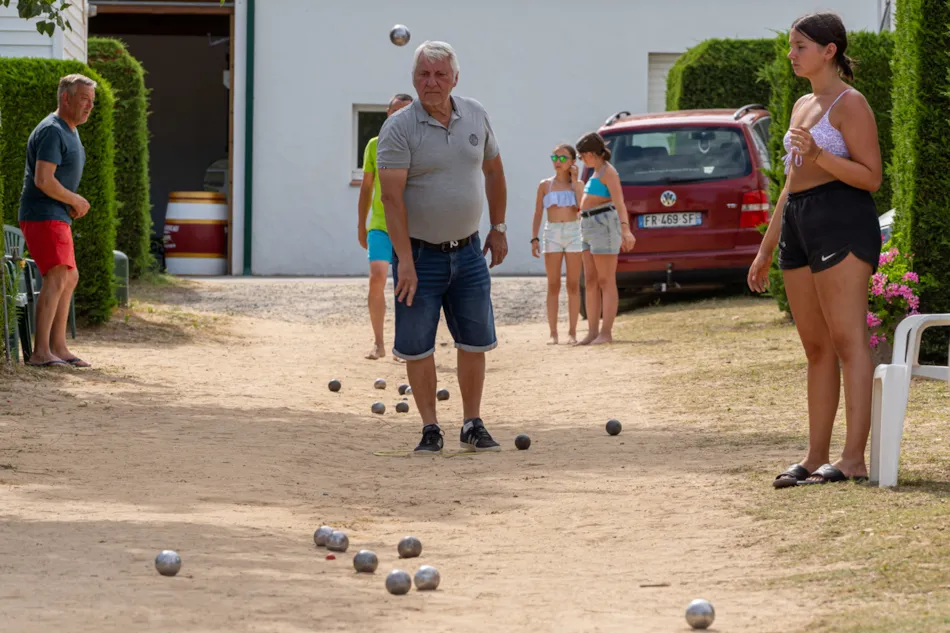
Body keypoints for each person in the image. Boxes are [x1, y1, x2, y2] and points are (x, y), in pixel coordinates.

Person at [747, 12, 883, 487]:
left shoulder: (851, 103)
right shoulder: (803, 103)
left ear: (829, 50)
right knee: (816, 347)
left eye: (799, 45)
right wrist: (766, 248)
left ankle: (853, 459)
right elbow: (791, 183)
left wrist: (823, 156)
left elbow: (871, 177)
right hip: (800, 220)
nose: (791, 53)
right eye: (790, 45)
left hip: (842, 218)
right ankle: (814, 455)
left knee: (848, 341)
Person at [377, 40, 508, 454]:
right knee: (418, 345)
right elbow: (392, 201)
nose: (431, 83)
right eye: (423, 75)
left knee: (474, 341)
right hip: (419, 257)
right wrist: (405, 261)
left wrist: (499, 227)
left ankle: (472, 423)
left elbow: (494, 171)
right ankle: (430, 428)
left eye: (439, 74)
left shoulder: (476, 113)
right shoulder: (399, 128)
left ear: (455, 78)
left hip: (469, 253)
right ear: (413, 79)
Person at [18, 74, 97, 368]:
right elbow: (43, 180)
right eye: (84, 99)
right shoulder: (52, 130)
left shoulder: (70, 130)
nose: (90, 106)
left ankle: (58, 347)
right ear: (66, 98)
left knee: (69, 276)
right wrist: (75, 200)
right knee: (57, 275)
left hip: (56, 216)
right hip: (43, 215)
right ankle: (41, 353)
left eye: (92, 101)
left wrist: (70, 203)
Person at [358, 92, 414, 361]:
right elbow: (366, 187)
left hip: (412, 227)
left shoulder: (420, 145)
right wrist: (361, 224)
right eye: (396, 111)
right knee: (377, 278)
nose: (400, 116)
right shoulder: (373, 145)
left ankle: (403, 346)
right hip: (380, 225)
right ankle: (379, 343)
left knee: (406, 284)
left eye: (406, 111)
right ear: (387, 113)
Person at [574, 132, 636, 346]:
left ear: (591, 154)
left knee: (606, 280)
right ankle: (592, 331)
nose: (582, 160)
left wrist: (625, 230)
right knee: (590, 280)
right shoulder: (594, 172)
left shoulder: (609, 172)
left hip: (603, 225)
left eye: (582, 156)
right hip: (587, 225)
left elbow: (620, 203)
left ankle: (606, 332)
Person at [531, 144, 585, 345]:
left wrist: (575, 180)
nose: (557, 162)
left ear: (572, 161)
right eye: (554, 158)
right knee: (553, 284)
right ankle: (553, 333)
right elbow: (538, 213)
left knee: (573, 284)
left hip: (573, 232)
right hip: (552, 232)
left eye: (563, 158)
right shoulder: (545, 185)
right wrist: (534, 238)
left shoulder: (578, 185)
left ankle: (572, 332)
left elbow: (581, 207)